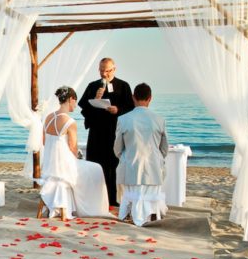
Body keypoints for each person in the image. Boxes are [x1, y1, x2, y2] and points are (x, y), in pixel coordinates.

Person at [39, 86, 110, 219]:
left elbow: (44, 142)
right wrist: (78, 157)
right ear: (71, 99)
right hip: (65, 168)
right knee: (97, 168)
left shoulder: (48, 117)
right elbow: (73, 148)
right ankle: (92, 207)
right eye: (75, 101)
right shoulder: (70, 122)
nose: (76, 105)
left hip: (50, 166)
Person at [79, 57, 135, 207]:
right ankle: (96, 197)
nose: (104, 74)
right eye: (101, 70)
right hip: (97, 132)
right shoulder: (92, 86)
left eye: (107, 71)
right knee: (96, 165)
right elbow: (84, 109)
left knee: (114, 165)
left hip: (115, 132)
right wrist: (95, 99)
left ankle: (113, 199)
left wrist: (118, 110)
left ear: (114, 69)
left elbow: (131, 108)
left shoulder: (123, 86)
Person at [113, 82, 169, 226]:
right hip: (154, 169)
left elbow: (117, 148)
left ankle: (131, 214)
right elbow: (164, 148)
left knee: (131, 191)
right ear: (150, 98)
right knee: (151, 189)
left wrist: (125, 157)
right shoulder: (159, 119)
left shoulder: (123, 119)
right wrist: (157, 159)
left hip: (131, 167)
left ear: (133, 97)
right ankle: (152, 214)